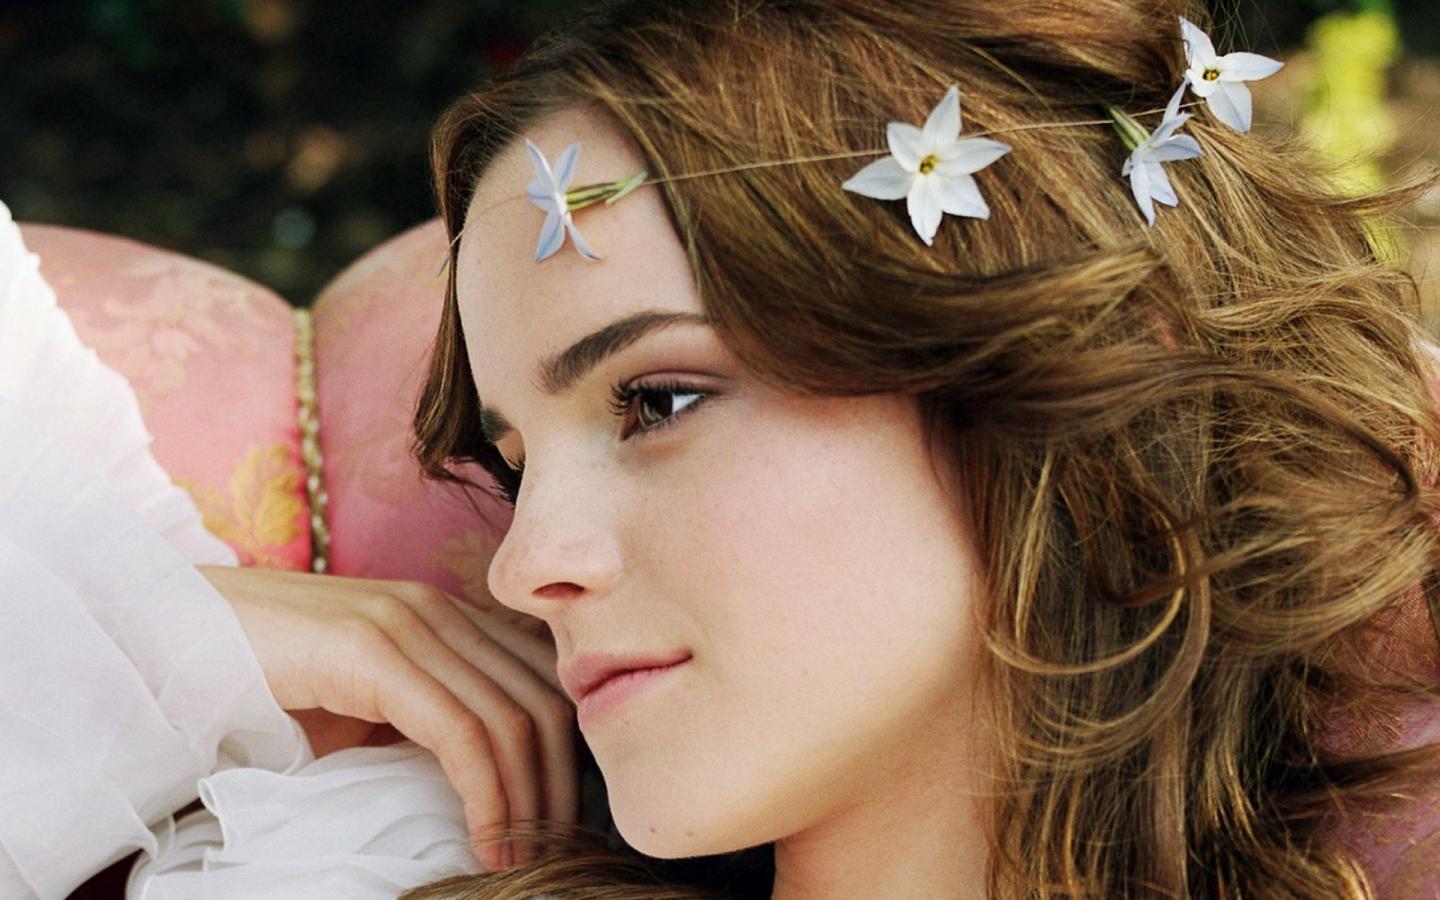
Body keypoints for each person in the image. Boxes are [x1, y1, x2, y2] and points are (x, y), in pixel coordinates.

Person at [397, 0, 1440, 897]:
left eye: (659, 402)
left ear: (1071, 363)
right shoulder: (345, 852)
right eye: (517, 465)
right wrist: (277, 676)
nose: (524, 567)